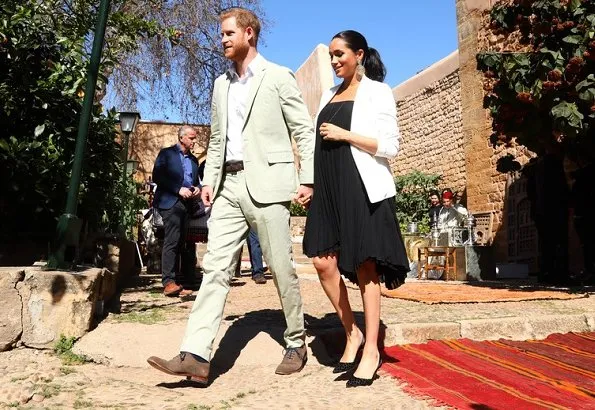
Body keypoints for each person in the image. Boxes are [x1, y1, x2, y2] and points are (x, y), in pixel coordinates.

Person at [147, 7, 314, 384]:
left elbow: (303, 130)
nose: (221, 40)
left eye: (227, 33)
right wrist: (209, 179)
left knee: (280, 267)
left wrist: (308, 179)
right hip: (227, 188)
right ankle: (196, 355)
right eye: (220, 34)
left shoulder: (278, 77)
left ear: (249, 34)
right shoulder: (221, 84)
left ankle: (296, 340)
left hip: (268, 185)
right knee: (216, 270)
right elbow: (219, 139)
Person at [302, 30, 409, 388]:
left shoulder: (378, 91)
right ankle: (352, 333)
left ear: (359, 54)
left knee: (366, 267)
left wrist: (346, 134)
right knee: (322, 261)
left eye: (340, 55)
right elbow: (317, 144)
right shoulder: (329, 94)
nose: (334, 62)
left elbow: (390, 146)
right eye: (331, 55)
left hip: (361, 187)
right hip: (329, 189)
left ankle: (372, 350)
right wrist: (311, 183)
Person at [152, 125, 202, 297]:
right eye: (191, 138)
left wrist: (197, 189)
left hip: (187, 205)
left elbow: (195, 181)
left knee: (182, 243)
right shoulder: (166, 154)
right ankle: (168, 282)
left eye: (195, 138)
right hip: (170, 202)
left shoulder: (194, 161)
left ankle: (178, 283)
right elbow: (157, 176)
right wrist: (178, 189)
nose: (195, 141)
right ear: (181, 138)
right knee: (172, 240)